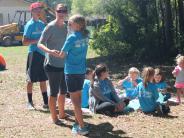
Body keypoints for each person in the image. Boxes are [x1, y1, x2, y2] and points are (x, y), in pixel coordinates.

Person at [55, 14, 89, 135]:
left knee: (75, 102)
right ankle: (78, 122)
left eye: (70, 23)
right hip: (81, 71)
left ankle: (82, 127)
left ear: (78, 25)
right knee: (78, 99)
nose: (68, 25)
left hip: (71, 72)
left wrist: (51, 52)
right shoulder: (86, 35)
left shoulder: (71, 38)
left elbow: (62, 55)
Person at [38, 4, 68, 125]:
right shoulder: (50, 27)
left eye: (64, 11)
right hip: (52, 65)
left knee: (64, 91)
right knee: (54, 92)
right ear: (55, 12)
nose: (61, 13)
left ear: (66, 12)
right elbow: (40, 43)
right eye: (59, 11)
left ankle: (61, 113)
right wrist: (50, 51)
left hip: (65, 64)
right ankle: (54, 117)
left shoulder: (67, 27)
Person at [22, 2, 48, 110]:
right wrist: (37, 41)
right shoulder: (29, 25)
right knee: (31, 79)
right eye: (36, 9)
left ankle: (46, 103)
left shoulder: (42, 24)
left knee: (43, 79)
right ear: (32, 11)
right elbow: (24, 41)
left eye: (40, 9)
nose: (39, 10)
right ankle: (29, 102)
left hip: (42, 54)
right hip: (33, 54)